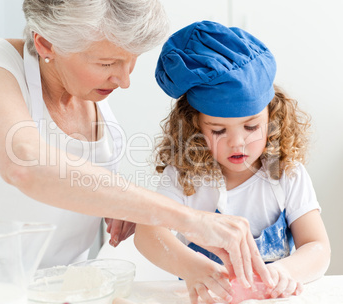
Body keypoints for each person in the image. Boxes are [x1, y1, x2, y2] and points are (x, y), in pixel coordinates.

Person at [0, 0, 272, 290]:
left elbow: (70, 186)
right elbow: (26, 164)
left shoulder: (94, 103)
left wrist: (117, 204)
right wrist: (190, 220)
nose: (124, 80)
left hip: (60, 291)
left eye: (131, 61)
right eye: (107, 64)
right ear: (46, 44)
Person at [134, 20, 331, 304]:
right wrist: (191, 267)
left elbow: (317, 247)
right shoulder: (185, 177)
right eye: (218, 130)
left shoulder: (287, 174)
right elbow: (147, 233)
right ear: (195, 127)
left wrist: (284, 272)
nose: (237, 142)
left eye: (251, 127)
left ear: (272, 119)